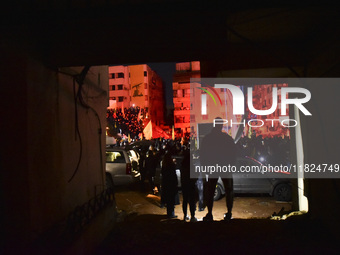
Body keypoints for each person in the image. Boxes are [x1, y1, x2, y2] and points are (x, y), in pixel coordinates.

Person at [200, 117, 238, 221]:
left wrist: (204, 168)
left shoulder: (208, 138)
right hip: (225, 166)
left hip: (213, 166)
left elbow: (202, 154)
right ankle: (229, 213)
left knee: (211, 190)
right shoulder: (226, 138)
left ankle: (210, 213)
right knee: (228, 189)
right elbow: (234, 152)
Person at [180, 149, 198, 222]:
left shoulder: (183, 166)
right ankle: (192, 216)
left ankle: (185, 216)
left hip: (184, 185)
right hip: (191, 185)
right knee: (192, 201)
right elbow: (196, 176)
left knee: (185, 201)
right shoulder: (192, 166)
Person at [161, 151, 178, 219]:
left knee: (168, 200)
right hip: (171, 184)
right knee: (171, 200)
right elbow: (174, 175)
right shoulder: (171, 165)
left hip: (166, 184)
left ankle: (169, 213)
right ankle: (171, 214)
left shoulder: (164, 166)